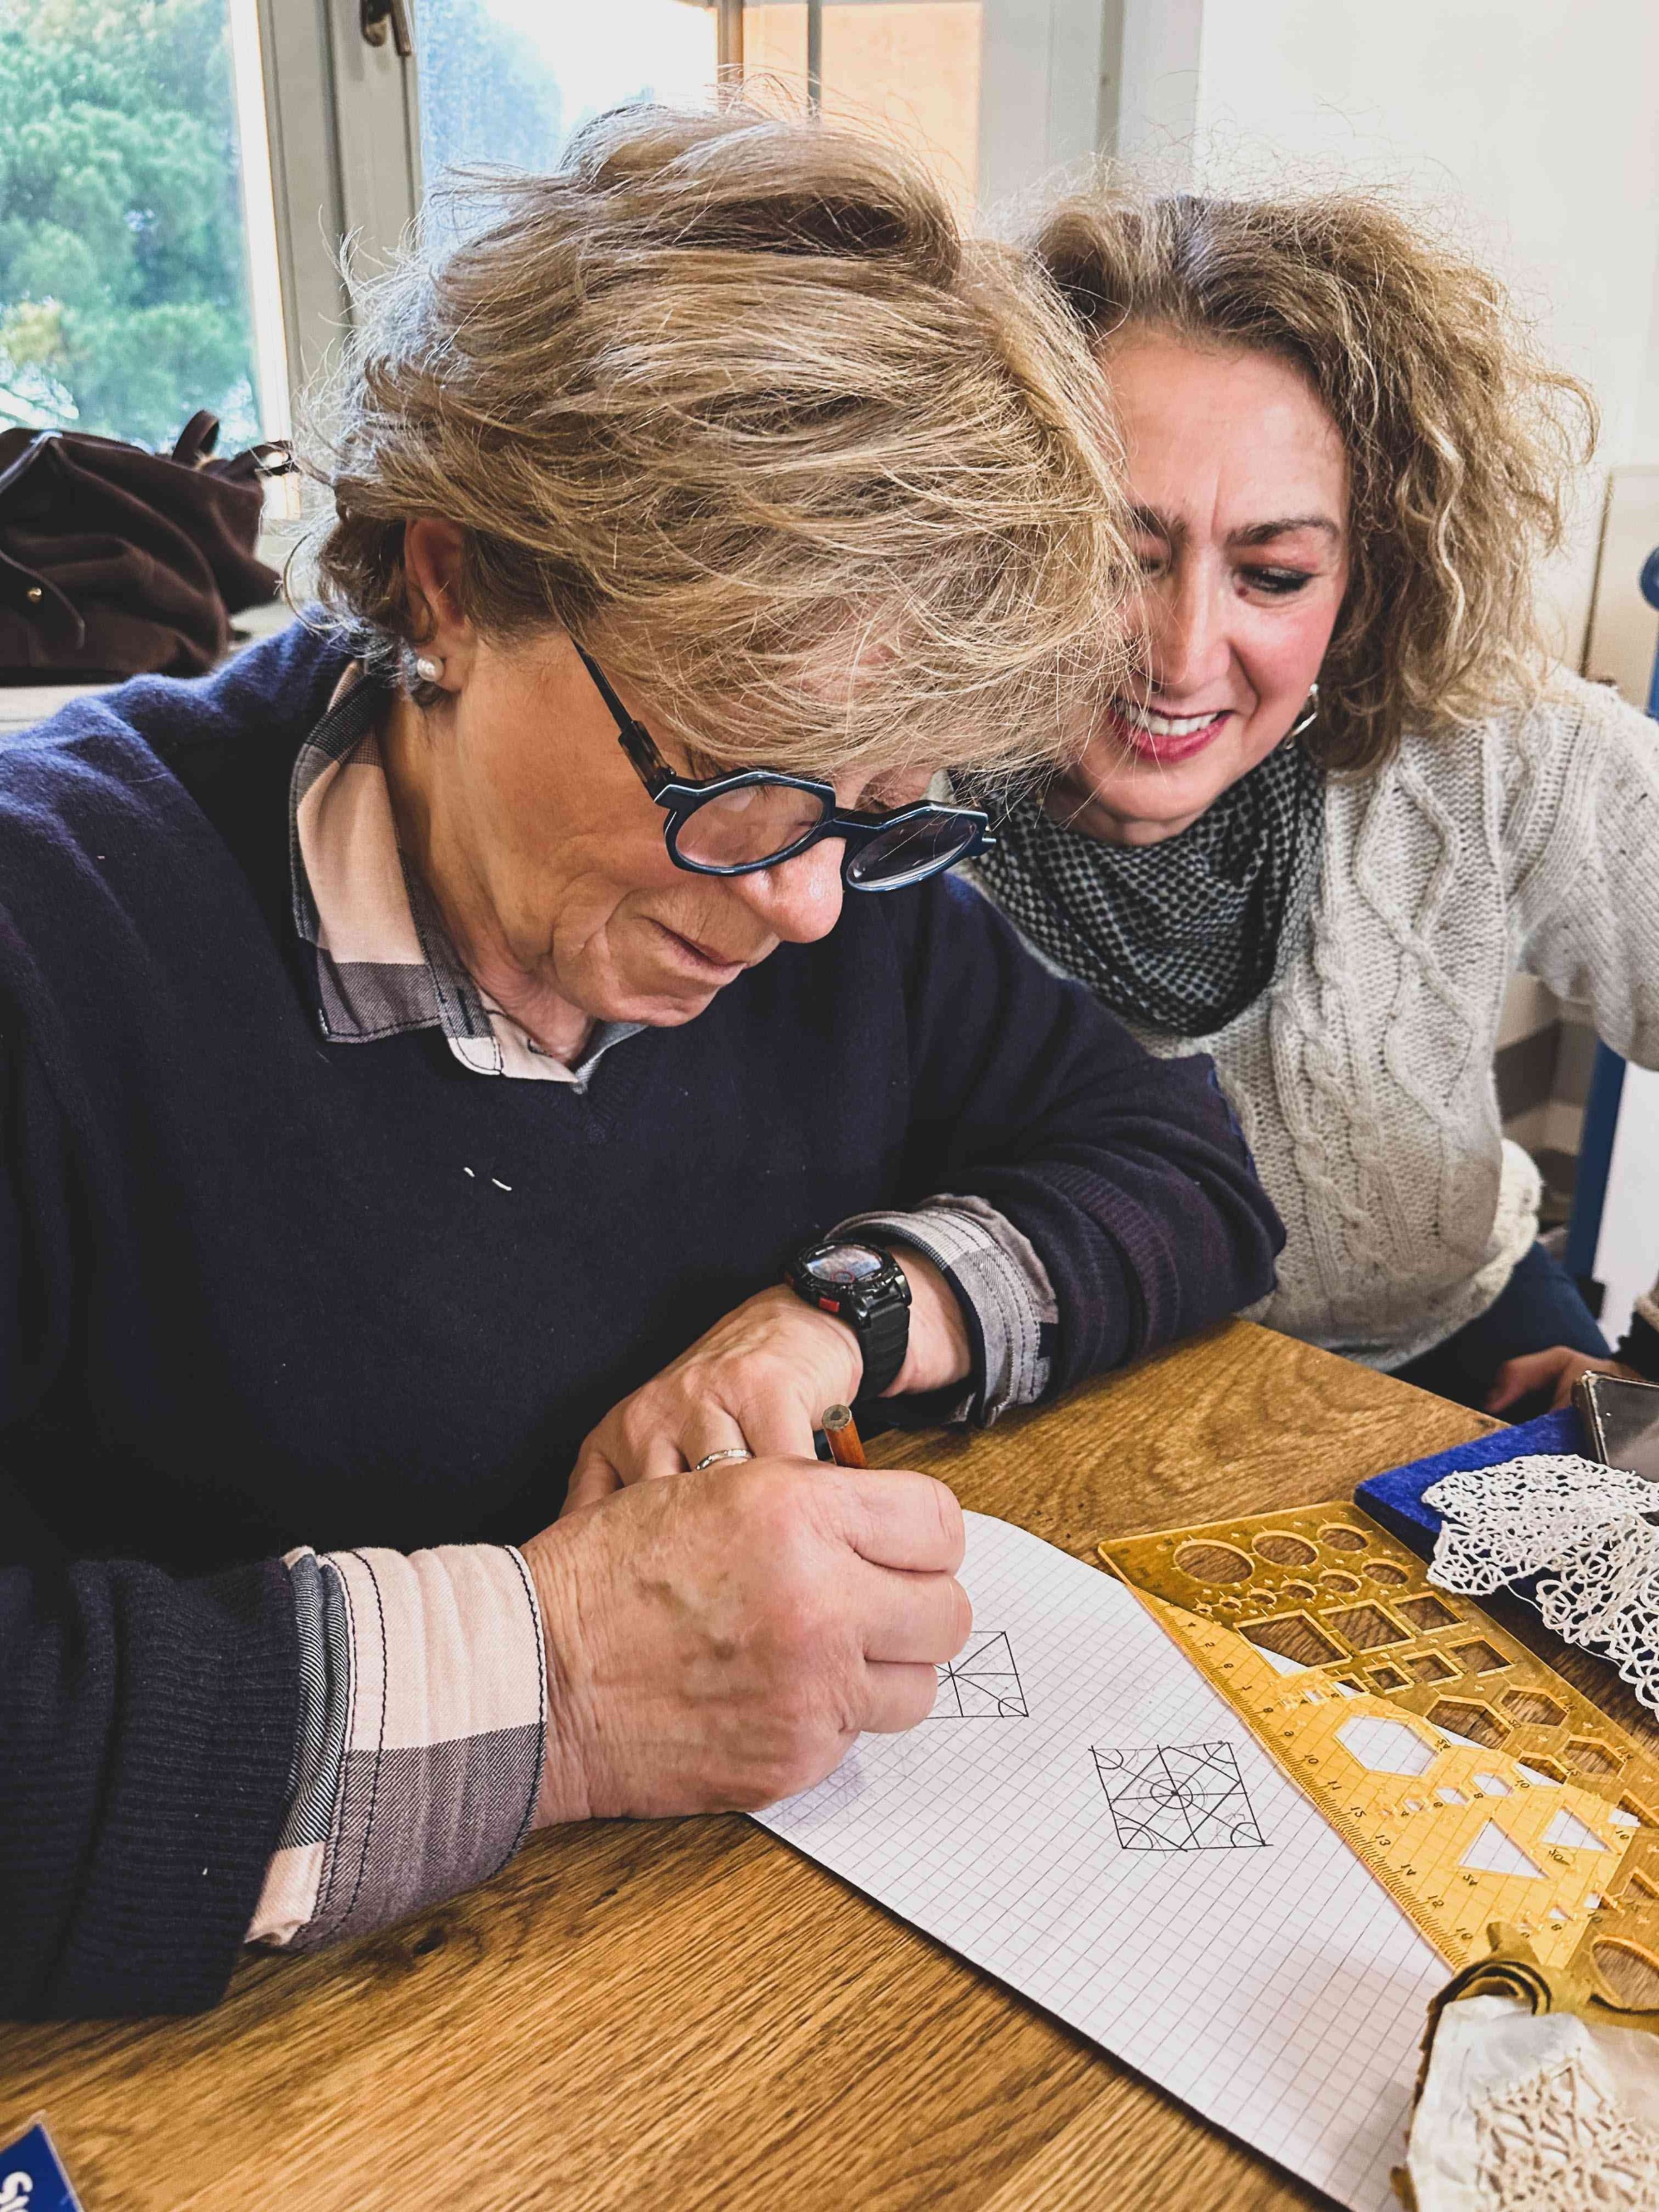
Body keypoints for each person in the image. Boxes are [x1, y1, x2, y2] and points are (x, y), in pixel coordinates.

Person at [0, 109, 1282, 2018]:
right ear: (449, 584)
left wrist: (841, 1316)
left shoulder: (820, 867)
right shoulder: (58, 936)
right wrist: (565, 1681)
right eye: (734, 773)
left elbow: (1182, 1171)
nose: (813, 908)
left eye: (893, 807)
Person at [961, 180, 1658, 1419]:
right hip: (1052, 1390)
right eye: (1116, 561)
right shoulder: (881, 801)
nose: (1180, 657)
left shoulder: (1486, 744)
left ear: (1370, 572)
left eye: (1274, 574)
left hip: (1456, 1337)